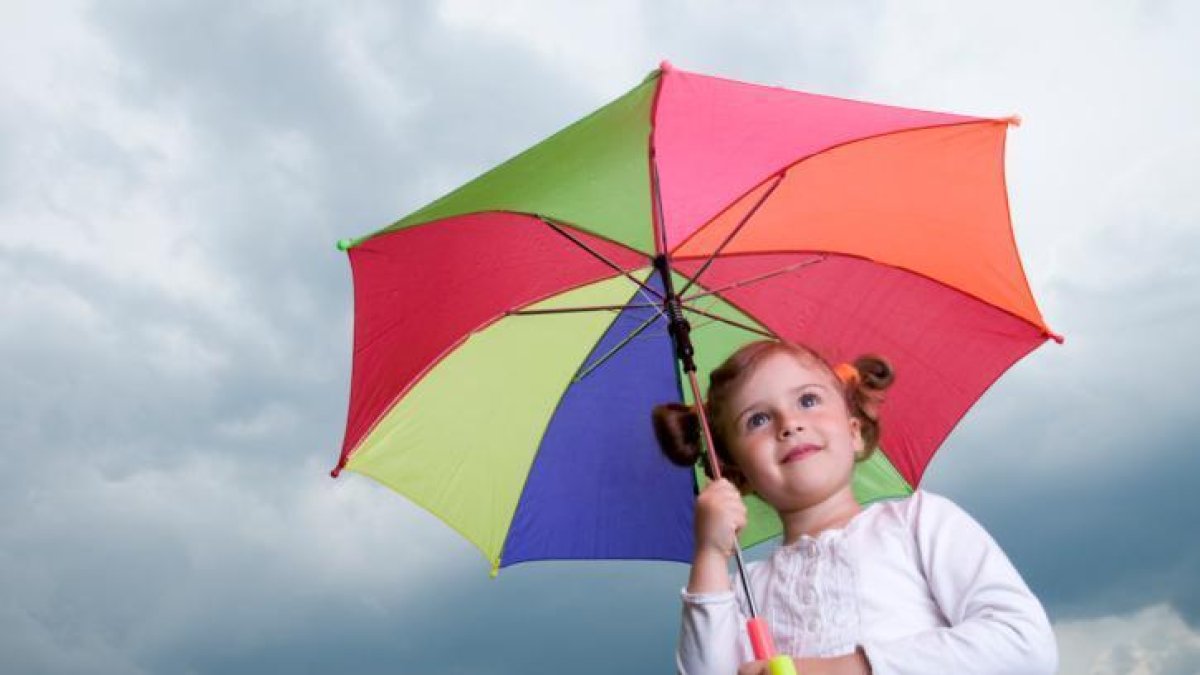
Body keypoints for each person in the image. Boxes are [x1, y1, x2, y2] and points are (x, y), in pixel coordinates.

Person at [652, 340, 1057, 675]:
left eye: (808, 400)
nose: (788, 424)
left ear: (854, 433)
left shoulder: (921, 525)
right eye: (757, 420)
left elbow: (1023, 644)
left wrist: (847, 669)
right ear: (736, 472)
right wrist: (709, 555)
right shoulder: (744, 590)